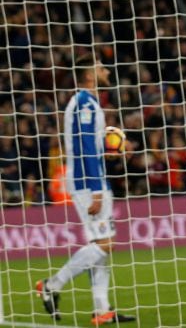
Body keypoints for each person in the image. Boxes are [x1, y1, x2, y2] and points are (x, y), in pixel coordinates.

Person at [35, 53, 135, 325]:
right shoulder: (84, 103)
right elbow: (85, 148)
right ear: (90, 75)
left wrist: (110, 152)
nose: (106, 70)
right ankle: (52, 285)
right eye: (101, 67)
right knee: (105, 244)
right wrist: (95, 189)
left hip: (92, 178)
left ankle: (101, 309)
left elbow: (91, 145)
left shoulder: (88, 102)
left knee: (101, 244)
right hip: (87, 183)